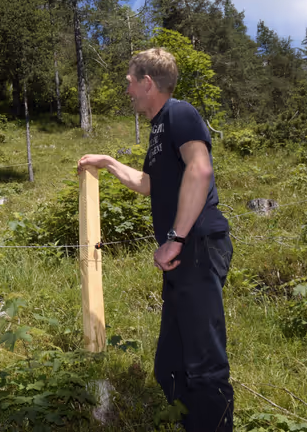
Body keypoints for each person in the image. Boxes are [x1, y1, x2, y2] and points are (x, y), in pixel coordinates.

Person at [77, 48, 234, 431]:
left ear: (147, 83)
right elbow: (150, 183)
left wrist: (175, 238)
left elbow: (200, 170)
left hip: (196, 245)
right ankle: (187, 423)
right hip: (182, 255)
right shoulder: (159, 128)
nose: (127, 90)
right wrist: (109, 162)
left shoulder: (180, 113)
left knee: (204, 362)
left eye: (130, 82)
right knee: (170, 365)